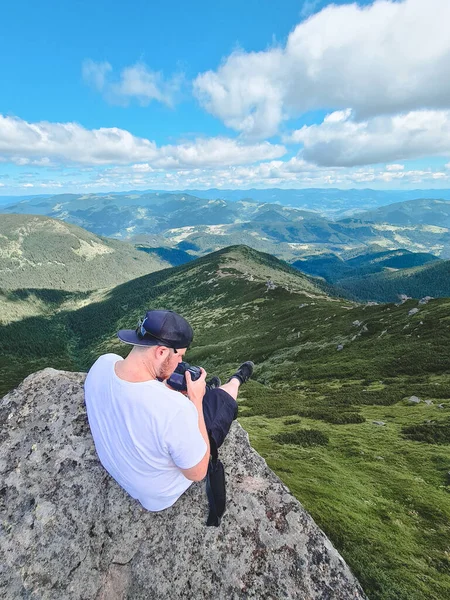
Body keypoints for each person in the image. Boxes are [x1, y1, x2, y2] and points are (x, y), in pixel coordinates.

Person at [84, 309, 253, 513]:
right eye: (180, 355)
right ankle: (235, 381)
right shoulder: (176, 410)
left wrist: (165, 386)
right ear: (162, 351)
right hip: (157, 497)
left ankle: (212, 388)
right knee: (220, 401)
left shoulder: (103, 362)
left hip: (123, 471)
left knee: (175, 381)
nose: (180, 361)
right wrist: (196, 400)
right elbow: (198, 472)